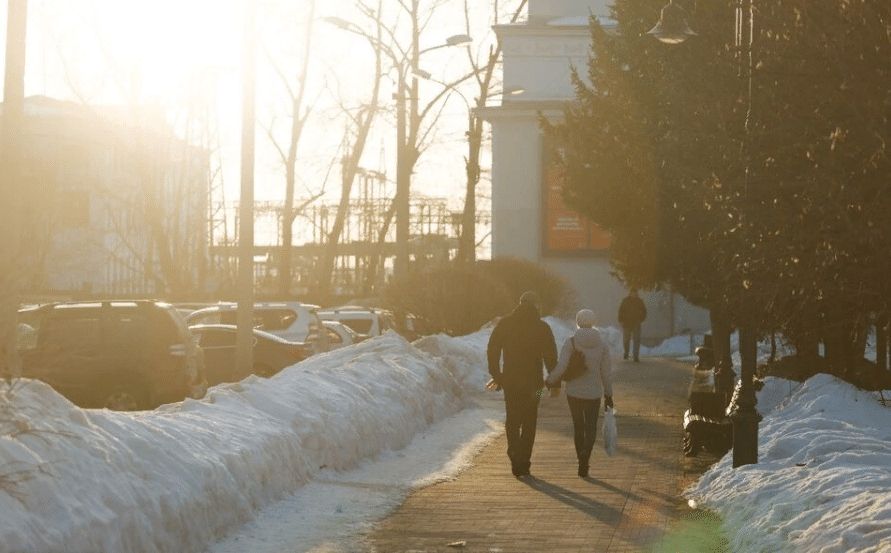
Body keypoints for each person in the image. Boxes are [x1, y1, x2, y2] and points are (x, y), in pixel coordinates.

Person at [487, 291, 558, 477]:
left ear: (519, 303)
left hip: (511, 382)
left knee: (512, 419)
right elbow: (550, 356)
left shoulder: (505, 324)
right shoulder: (542, 327)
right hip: (535, 385)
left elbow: (492, 349)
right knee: (530, 421)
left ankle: (513, 451)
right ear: (536, 306)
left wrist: (497, 375)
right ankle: (524, 461)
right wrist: (554, 380)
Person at [545, 309, 614, 478]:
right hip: (594, 393)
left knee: (578, 426)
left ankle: (580, 460)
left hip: (574, 392)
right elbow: (606, 373)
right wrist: (609, 394)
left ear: (578, 321)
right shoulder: (602, 345)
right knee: (591, 427)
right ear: (593, 322)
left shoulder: (571, 343)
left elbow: (561, 367)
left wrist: (550, 380)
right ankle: (586, 457)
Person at [618, 288, 647, 362]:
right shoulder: (625, 301)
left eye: (634, 292)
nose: (633, 294)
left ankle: (635, 356)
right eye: (632, 292)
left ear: (636, 293)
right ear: (630, 293)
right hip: (627, 323)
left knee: (636, 340)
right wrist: (621, 320)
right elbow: (621, 311)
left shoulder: (639, 301)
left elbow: (644, 311)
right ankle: (626, 352)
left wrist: (641, 319)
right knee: (626, 340)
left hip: (636, 323)